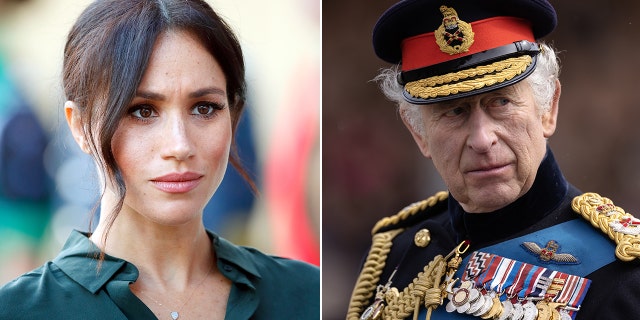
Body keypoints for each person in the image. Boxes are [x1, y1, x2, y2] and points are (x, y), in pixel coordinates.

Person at [0, 0, 319, 319]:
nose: (179, 145)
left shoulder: (305, 294)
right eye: (141, 111)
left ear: (234, 116)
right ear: (80, 127)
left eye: (205, 107)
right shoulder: (21, 310)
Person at [347, 1, 640, 319]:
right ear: (419, 134)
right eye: (453, 111)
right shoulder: (395, 254)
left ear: (548, 109)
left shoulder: (622, 273)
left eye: (501, 101)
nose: (481, 139)